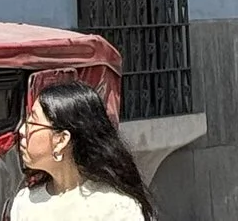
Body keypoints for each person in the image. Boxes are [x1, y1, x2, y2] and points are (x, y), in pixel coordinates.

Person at [13, 81, 157, 218]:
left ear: (61, 140)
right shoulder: (25, 202)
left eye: (32, 122)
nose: (21, 130)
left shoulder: (115, 208)